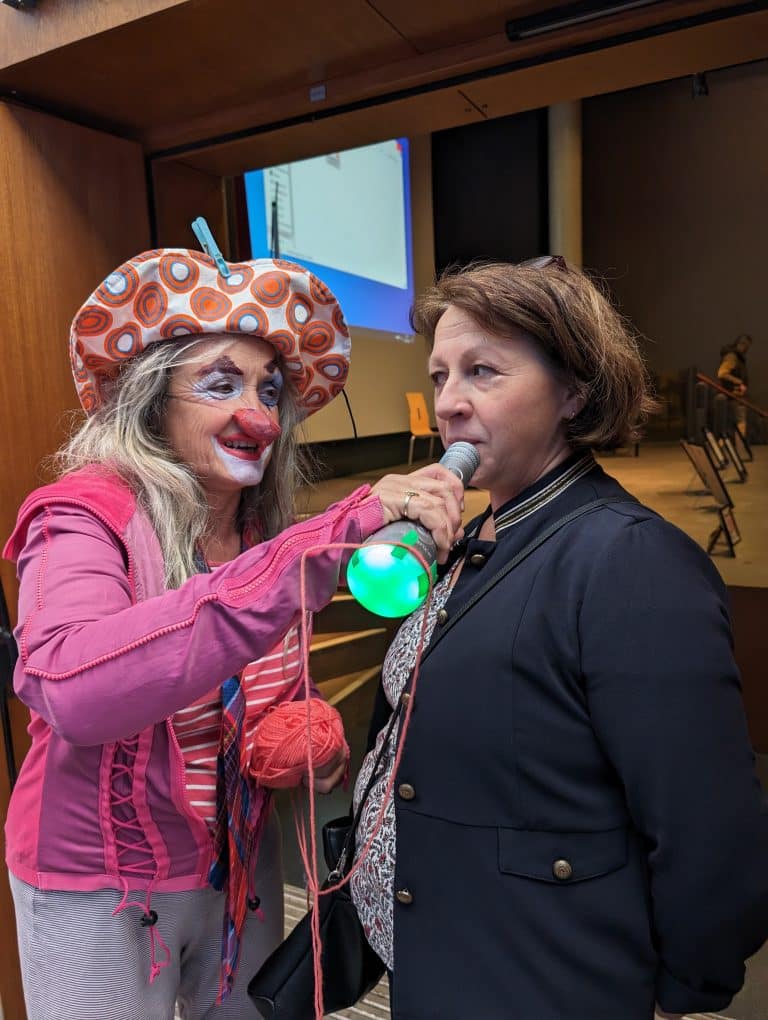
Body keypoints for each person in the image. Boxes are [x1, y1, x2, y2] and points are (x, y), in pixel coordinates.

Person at [2, 248, 464, 1020]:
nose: (257, 414)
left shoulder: (256, 533)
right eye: (221, 384)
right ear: (152, 402)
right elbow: (74, 691)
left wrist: (298, 733)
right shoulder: (82, 512)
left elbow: (250, 695)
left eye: (270, 391)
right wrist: (313, 552)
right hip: (99, 879)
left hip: (238, 867)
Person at [349, 258, 768, 1020]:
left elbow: (708, 829)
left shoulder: (631, 562)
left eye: (483, 372)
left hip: (541, 981)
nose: (449, 403)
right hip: (445, 958)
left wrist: (683, 993)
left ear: (574, 392)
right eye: (441, 376)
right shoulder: (480, 529)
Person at [717, 332, 753, 437]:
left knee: (736, 424)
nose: (746, 348)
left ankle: (734, 448)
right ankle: (737, 448)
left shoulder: (737, 357)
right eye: (745, 345)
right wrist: (739, 382)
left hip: (736, 396)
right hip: (732, 395)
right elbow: (722, 373)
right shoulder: (732, 357)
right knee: (739, 423)